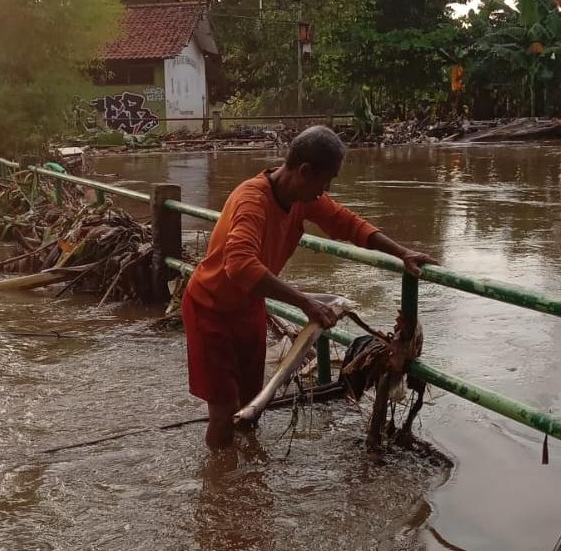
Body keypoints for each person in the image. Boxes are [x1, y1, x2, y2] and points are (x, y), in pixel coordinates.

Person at [182, 125, 437, 449]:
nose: (325, 190)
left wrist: (402, 252)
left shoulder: (301, 197)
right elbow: (240, 265)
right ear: (304, 171)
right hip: (211, 307)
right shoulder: (253, 201)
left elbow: (347, 223)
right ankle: (219, 490)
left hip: (249, 306)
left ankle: (244, 477)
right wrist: (305, 303)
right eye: (325, 180)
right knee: (223, 410)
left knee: (252, 402)